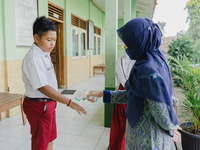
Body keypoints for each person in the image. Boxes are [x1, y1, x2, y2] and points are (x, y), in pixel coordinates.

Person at [87, 17, 180, 149]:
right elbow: (133, 95)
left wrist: (172, 127)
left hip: (149, 140)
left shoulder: (148, 71)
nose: (125, 47)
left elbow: (160, 110)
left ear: (139, 42)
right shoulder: (154, 61)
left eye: (128, 42)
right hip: (141, 136)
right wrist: (102, 93)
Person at [22, 16, 87, 150]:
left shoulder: (44, 53)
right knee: (40, 144)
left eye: (54, 40)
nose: (52, 44)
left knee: (49, 138)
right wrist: (69, 102)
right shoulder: (34, 58)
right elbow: (44, 87)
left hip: (47, 104)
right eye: (49, 40)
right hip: (39, 106)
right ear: (36, 38)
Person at [109, 51, 135, 150]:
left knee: (120, 127)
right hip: (128, 94)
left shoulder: (120, 60)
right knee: (123, 126)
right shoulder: (122, 60)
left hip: (124, 93)